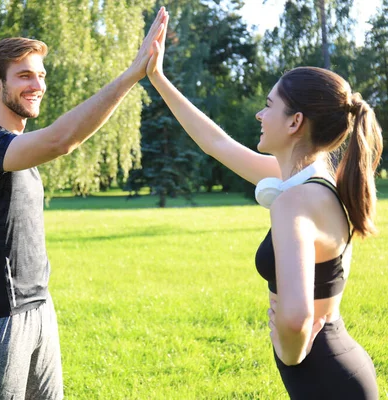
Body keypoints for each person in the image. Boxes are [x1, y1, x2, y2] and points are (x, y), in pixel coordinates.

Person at [145, 19, 382, 399]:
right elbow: (217, 144)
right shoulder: (314, 181)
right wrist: (157, 77)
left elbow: (296, 317)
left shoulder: (294, 202)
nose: (259, 114)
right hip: (340, 367)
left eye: (268, 105)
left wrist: (290, 353)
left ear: (295, 122)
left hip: (325, 379)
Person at [0, 8, 168, 400]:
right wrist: (132, 75)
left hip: (39, 307)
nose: (37, 84)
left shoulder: (19, 147)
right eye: (24, 76)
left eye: (41, 75)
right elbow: (61, 140)